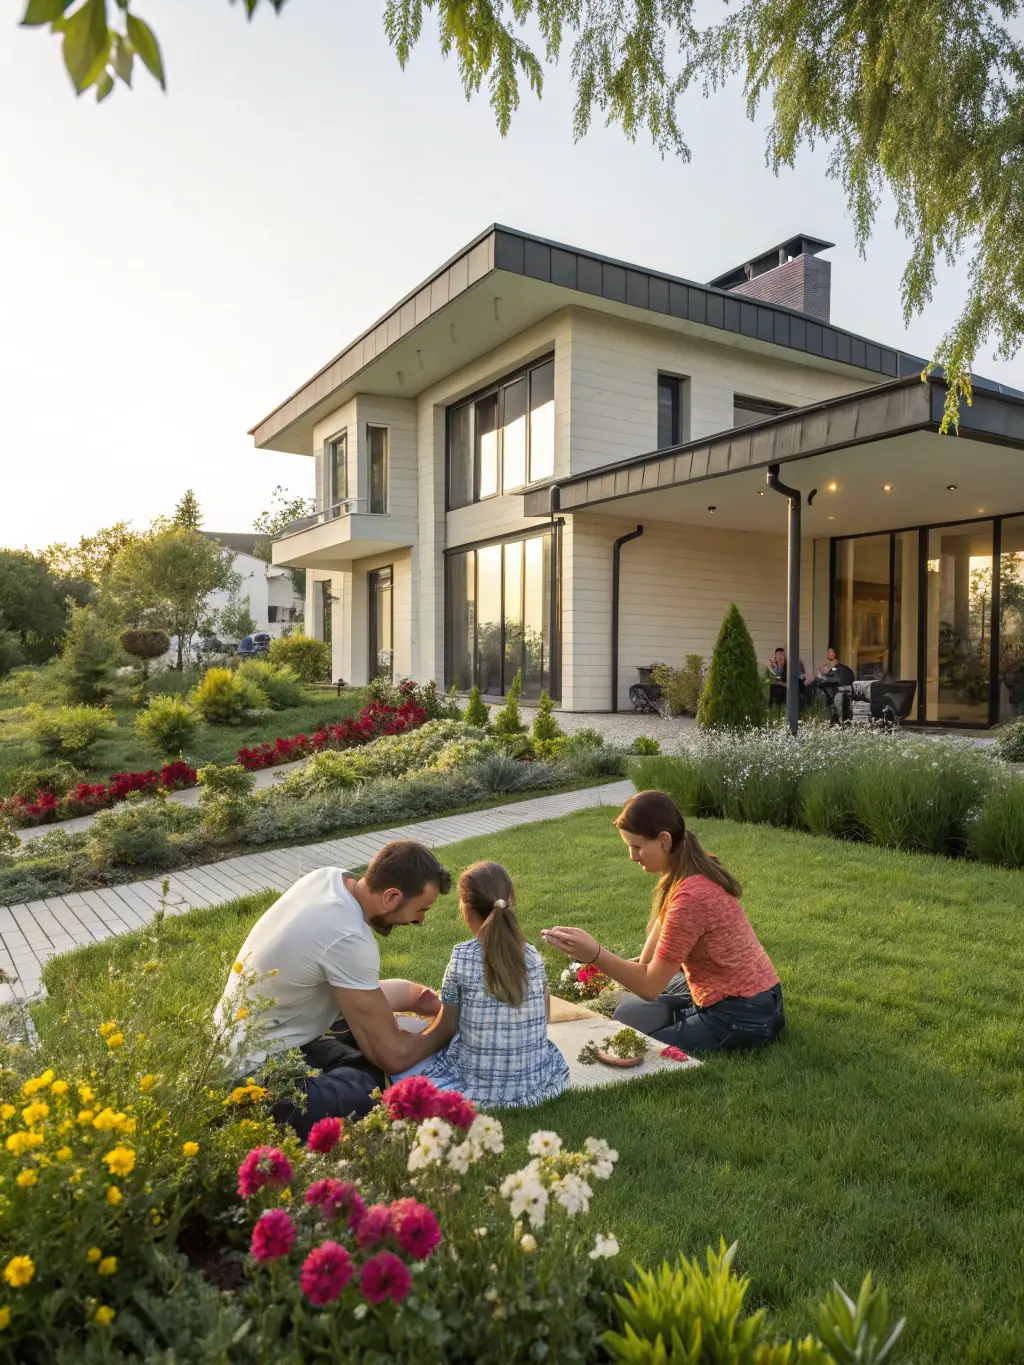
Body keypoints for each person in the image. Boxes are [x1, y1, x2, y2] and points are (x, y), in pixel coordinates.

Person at [216, 840, 457, 1137]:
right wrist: (448, 1022)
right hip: (250, 1082)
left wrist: (419, 998)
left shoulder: (327, 880)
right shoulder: (347, 935)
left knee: (361, 1049)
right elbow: (394, 1056)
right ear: (392, 896)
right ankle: (249, 1112)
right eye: (421, 909)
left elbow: (355, 992)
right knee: (370, 1085)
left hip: (245, 1046)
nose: (420, 920)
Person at [541, 791, 784, 1054]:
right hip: (760, 999)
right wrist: (608, 968)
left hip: (742, 1016)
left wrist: (595, 954)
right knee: (629, 1008)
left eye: (637, 846)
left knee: (631, 1043)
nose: (632, 856)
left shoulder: (690, 897)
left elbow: (649, 986)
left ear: (665, 840)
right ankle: (681, 1015)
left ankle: (687, 1021)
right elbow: (647, 963)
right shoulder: (687, 870)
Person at [392, 861, 569, 1107]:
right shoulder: (532, 956)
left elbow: (445, 1028)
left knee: (405, 1032)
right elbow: (543, 1016)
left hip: (476, 1089)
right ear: (511, 900)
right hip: (535, 1084)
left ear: (466, 909)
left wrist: (405, 1052)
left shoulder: (462, 957)